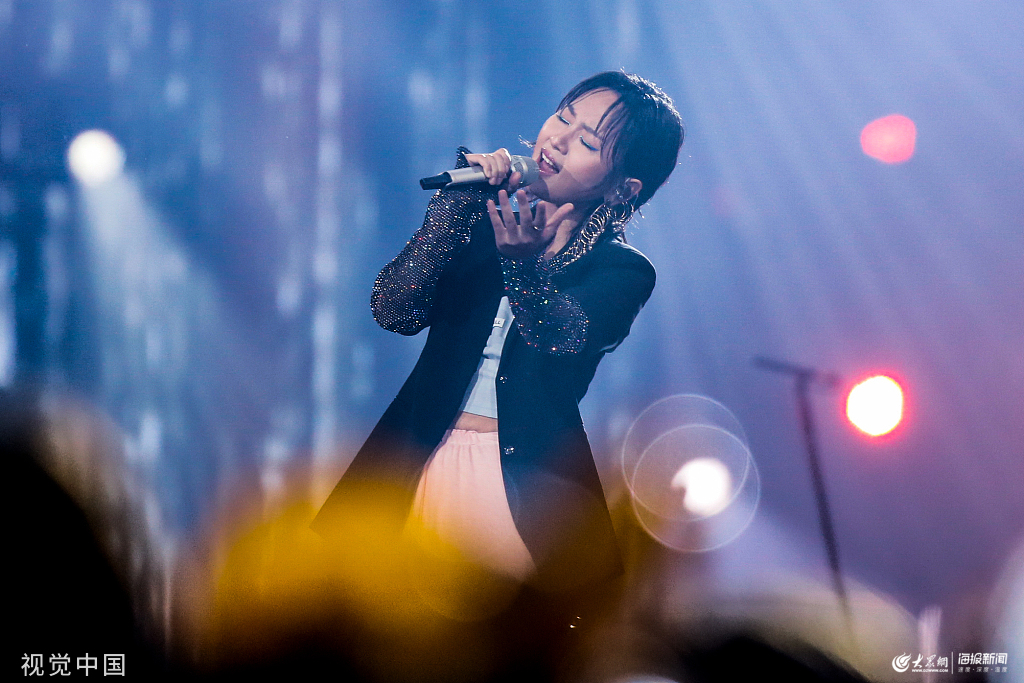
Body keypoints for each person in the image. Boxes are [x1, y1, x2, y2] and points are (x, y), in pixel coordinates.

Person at [312, 71, 684, 592]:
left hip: (522, 486)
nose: (557, 139)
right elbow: (394, 310)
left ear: (625, 187)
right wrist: (452, 210)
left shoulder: (622, 270)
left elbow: (560, 337)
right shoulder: (480, 223)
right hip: (416, 455)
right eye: (562, 117)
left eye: (586, 142)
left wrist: (523, 266)